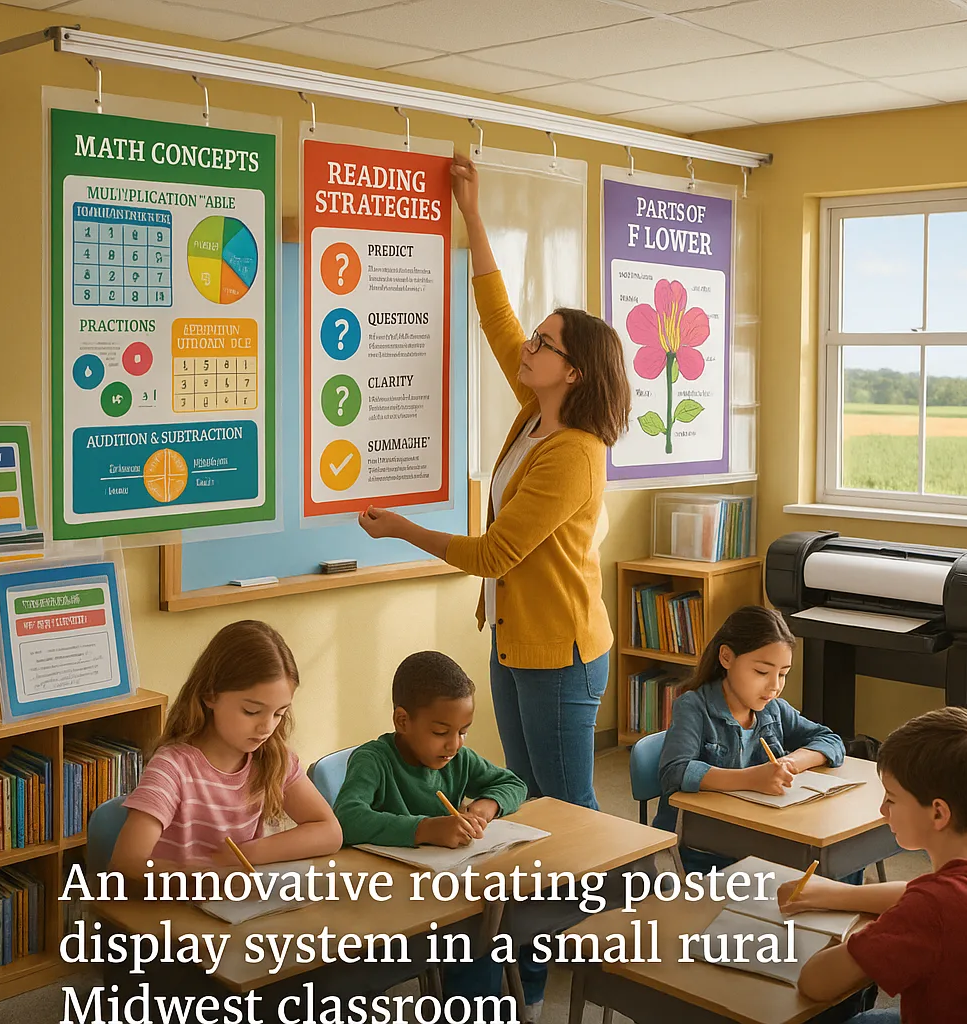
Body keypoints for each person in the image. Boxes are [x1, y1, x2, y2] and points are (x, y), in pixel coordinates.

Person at [358, 152, 632, 812]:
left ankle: (611, 905)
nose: (528, 348)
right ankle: (549, 908)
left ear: (574, 373)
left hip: (559, 651)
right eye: (537, 339)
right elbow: (497, 317)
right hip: (514, 638)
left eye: (544, 343)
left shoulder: (573, 453)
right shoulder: (535, 412)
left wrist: (401, 528)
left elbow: (494, 554)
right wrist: (472, 215)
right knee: (531, 793)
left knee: (567, 800)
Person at [333, 651, 534, 1007]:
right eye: (441, 732)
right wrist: (425, 829)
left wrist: (485, 807)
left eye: (463, 733)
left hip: (446, 889)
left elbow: (513, 783)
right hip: (386, 895)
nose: (454, 744)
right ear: (402, 720)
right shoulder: (373, 760)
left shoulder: (458, 759)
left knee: (488, 930)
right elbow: (346, 819)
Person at [784, 706, 967, 1024]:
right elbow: (915, 892)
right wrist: (826, 894)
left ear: (938, 813)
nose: (882, 810)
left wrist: (871, 937)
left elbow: (815, 982)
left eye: (891, 798)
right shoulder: (966, 879)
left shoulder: (929, 910)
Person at [110, 620, 342, 886]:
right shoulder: (172, 768)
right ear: (210, 695)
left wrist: (242, 855)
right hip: (173, 914)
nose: (266, 727)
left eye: (279, 713)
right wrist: (209, 879)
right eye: (251, 711)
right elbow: (126, 862)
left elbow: (330, 832)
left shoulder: (274, 758)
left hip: (234, 913)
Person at [656, 606, 849, 875]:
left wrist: (790, 762)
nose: (774, 686)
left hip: (757, 834)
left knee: (839, 856)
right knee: (814, 868)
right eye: (761, 672)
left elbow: (830, 740)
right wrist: (752, 778)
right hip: (700, 847)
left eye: (783, 674)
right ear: (726, 657)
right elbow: (674, 772)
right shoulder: (693, 706)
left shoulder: (773, 709)